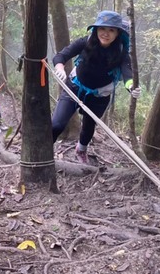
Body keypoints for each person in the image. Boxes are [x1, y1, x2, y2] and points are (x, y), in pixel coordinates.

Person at [52, 10, 141, 164]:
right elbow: (61, 56)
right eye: (102, 29)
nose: (106, 34)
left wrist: (131, 86)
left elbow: (128, 74)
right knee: (57, 124)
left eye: (111, 30)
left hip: (100, 96)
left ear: (118, 33)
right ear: (96, 29)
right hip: (74, 87)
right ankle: (45, 150)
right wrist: (59, 68)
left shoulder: (121, 52)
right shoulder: (85, 42)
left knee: (88, 127)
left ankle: (81, 150)